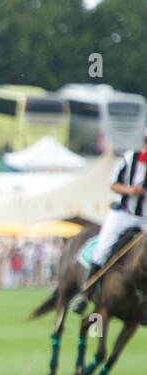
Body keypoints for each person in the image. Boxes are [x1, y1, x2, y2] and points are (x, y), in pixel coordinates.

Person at [73, 128, 147, 311]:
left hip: (145, 217)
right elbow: (113, 184)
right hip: (124, 214)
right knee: (102, 249)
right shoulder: (130, 158)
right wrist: (131, 191)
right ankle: (86, 294)